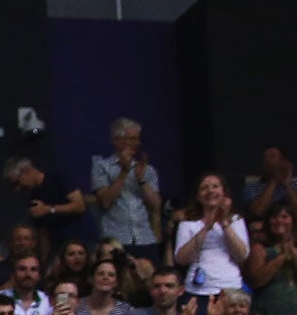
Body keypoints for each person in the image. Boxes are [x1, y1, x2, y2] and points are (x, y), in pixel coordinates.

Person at [90, 119, 162, 267]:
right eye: (132, 139)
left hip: (145, 238)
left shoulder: (147, 169)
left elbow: (156, 205)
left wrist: (141, 180)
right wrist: (124, 172)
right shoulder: (102, 167)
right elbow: (105, 202)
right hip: (116, 238)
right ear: (117, 141)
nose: (137, 143)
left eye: (138, 138)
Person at [174, 172, 250, 299]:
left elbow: (242, 255)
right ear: (197, 196)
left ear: (224, 192)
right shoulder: (188, 223)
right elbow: (181, 259)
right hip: (198, 290)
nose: (210, 191)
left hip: (230, 287)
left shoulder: (236, 220)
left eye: (215, 186)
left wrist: (225, 224)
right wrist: (206, 228)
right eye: (204, 188)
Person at [246, 202, 297, 315]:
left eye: (285, 216)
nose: (279, 221)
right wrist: (281, 258)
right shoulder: (260, 248)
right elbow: (256, 280)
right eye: (274, 217)